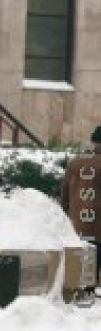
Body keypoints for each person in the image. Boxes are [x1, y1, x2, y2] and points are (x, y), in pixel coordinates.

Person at [61, 124, 101, 292]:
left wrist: (65, 212)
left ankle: (81, 289)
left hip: (78, 219)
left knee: (83, 251)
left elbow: (64, 192)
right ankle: (89, 288)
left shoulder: (75, 162)